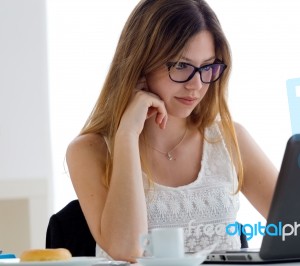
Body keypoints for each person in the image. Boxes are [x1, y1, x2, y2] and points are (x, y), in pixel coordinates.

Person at [66, 0, 278, 262]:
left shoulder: (230, 139)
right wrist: (127, 136)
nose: (196, 85)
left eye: (207, 66)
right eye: (181, 66)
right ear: (141, 65)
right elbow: (126, 249)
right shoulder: (89, 151)